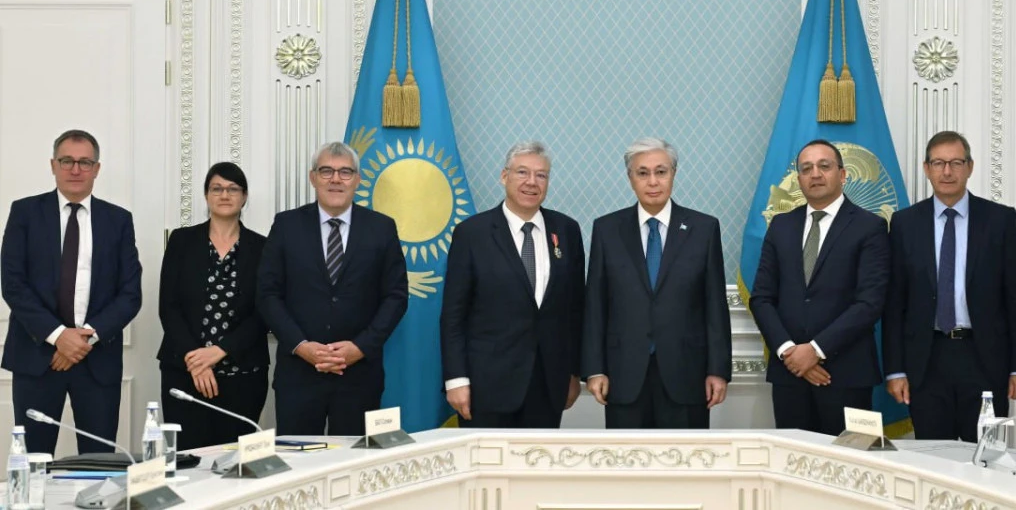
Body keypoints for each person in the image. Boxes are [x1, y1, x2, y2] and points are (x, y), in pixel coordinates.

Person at [882, 131, 1016, 441]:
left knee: (986, 457)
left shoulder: (1000, 220)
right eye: (938, 163)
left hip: (985, 359)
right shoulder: (904, 223)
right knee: (934, 457)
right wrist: (895, 370)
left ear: (970, 167)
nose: (947, 171)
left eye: (956, 163)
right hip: (926, 361)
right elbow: (894, 303)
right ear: (927, 169)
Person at [1, 129, 142, 455]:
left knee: (97, 462)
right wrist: (58, 336)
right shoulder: (24, 213)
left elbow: (130, 293)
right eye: (67, 161)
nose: (75, 169)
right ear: (53, 165)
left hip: (97, 361)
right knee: (34, 461)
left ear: (96, 168)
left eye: (84, 162)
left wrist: (82, 340)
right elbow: (13, 284)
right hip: (37, 357)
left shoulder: (118, 220)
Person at [257, 142, 408, 436]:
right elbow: (267, 293)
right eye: (326, 171)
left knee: (355, 460)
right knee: (298, 458)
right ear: (313, 177)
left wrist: (360, 347)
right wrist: (301, 346)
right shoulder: (287, 225)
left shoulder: (382, 228)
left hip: (359, 375)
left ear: (357, 179)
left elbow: (396, 296)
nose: (336, 179)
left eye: (345, 172)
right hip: (299, 373)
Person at [582, 137, 731, 429]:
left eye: (661, 172)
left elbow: (714, 305)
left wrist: (718, 370)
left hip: (687, 374)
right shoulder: (607, 229)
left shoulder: (704, 228)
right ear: (630, 178)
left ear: (673, 174)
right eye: (643, 173)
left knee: (685, 456)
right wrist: (594, 369)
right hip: (623, 375)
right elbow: (595, 304)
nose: (653, 181)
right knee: (627, 457)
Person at [748, 139, 888, 435]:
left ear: (843, 174)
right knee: (791, 461)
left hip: (847, 376)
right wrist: (790, 353)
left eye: (824, 166)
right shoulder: (781, 225)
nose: (815, 174)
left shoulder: (870, 227)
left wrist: (815, 350)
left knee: (850, 461)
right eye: (806, 168)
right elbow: (761, 298)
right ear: (798, 179)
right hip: (790, 375)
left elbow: (869, 303)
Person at [441, 141, 585, 427]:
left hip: (548, 384)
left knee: (538, 456)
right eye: (522, 172)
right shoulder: (472, 233)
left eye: (541, 175)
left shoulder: (567, 230)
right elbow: (454, 315)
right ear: (504, 176)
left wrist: (574, 373)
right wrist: (456, 379)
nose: (532, 182)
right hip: (486, 385)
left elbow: (576, 308)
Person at [157, 162, 268, 449]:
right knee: (188, 459)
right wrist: (197, 361)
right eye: (217, 188)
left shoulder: (263, 247)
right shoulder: (181, 240)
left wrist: (219, 351)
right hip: (185, 371)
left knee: (235, 460)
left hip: (243, 375)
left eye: (233, 189)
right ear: (206, 195)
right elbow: (168, 306)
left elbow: (265, 311)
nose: (225, 195)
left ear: (244, 196)